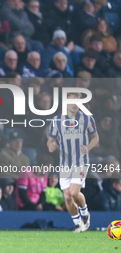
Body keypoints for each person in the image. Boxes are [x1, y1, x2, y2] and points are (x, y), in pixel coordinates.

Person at [47, 92, 99, 232]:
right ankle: (78, 224)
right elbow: (50, 139)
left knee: (74, 192)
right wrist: (50, 145)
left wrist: (87, 147)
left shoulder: (87, 119)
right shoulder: (57, 120)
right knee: (68, 197)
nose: (74, 104)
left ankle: (85, 213)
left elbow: (95, 137)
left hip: (80, 162)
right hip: (64, 164)